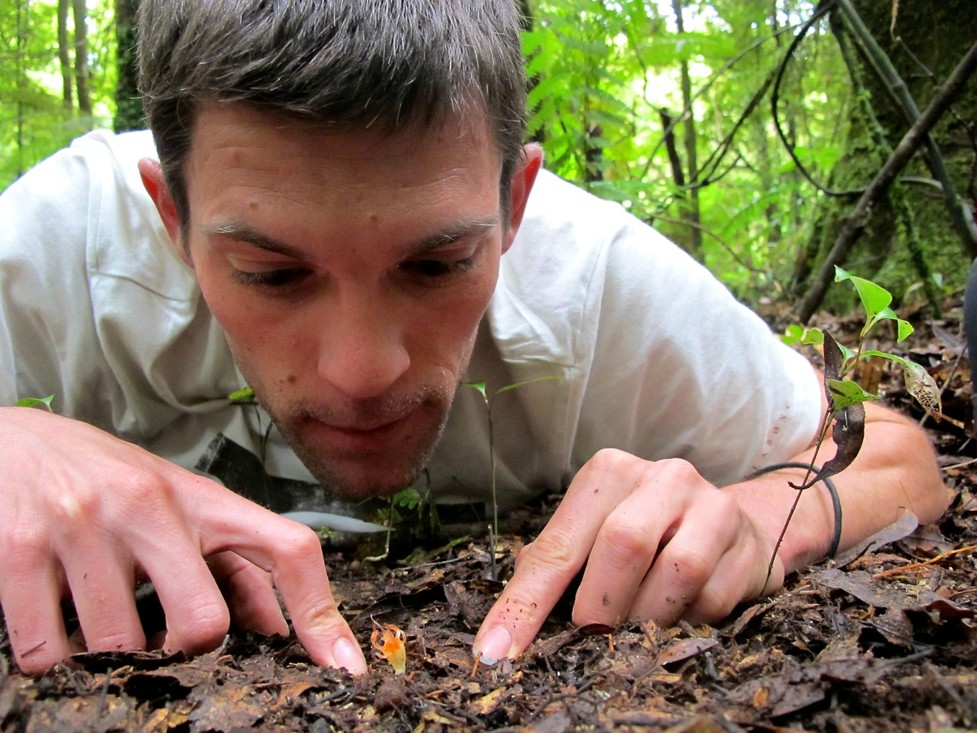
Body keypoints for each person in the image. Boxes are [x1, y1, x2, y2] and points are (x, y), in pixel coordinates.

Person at [0, 0, 948, 677]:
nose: (362, 370)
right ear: (171, 217)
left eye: (436, 263)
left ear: (514, 203)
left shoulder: (594, 281)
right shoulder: (60, 250)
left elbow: (898, 462)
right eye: (273, 273)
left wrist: (758, 518)